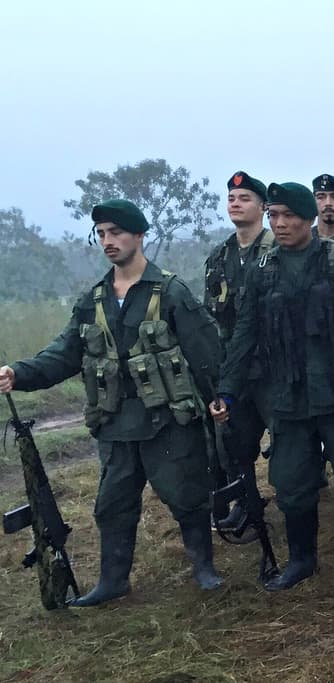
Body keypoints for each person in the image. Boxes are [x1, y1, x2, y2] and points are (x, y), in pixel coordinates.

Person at [0, 199, 224, 606]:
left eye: (116, 232)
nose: (108, 241)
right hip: (116, 424)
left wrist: (220, 399)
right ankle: (112, 581)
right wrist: (19, 373)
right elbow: (65, 353)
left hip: (168, 422)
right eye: (101, 234)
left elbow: (206, 353)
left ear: (139, 235)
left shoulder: (169, 292)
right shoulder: (94, 299)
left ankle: (203, 568)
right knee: (112, 506)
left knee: (187, 496)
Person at [214, 181, 334, 594]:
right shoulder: (265, 270)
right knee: (292, 482)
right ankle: (301, 560)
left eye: (289, 216)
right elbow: (244, 333)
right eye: (274, 215)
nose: (280, 224)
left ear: (309, 220)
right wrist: (227, 390)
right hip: (288, 397)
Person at [203, 171, 275, 532]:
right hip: (236, 370)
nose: (236, 203)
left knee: (289, 445)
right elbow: (211, 317)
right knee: (236, 444)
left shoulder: (277, 249)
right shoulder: (220, 256)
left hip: (274, 367)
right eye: (232, 198)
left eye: (245, 198)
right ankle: (246, 504)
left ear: (262, 207)